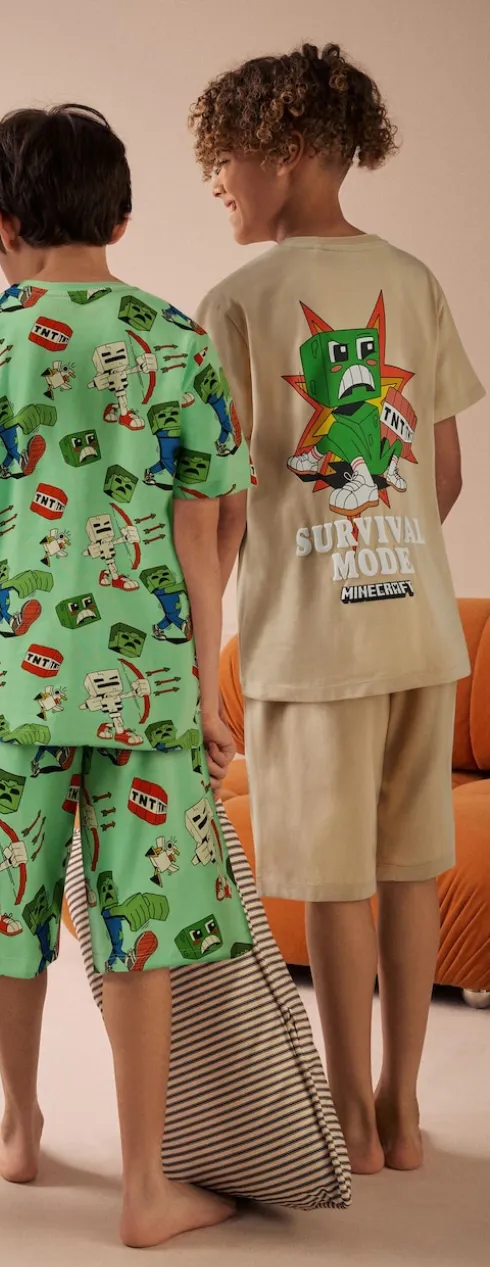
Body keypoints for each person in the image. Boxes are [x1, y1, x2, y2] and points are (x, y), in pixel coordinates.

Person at [0, 104, 254, 1248]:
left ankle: (17, 1127)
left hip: (11, 682)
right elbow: (205, 535)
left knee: (14, 912)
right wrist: (204, 687)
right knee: (137, 922)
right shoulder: (172, 338)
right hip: (149, 683)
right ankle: (145, 1186)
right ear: (122, 215)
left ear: (2, 221)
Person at [192, 45, 484, 1174]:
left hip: (308, 646)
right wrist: (382, 549)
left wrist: (248, 590)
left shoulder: (235, 305)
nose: (217, 181)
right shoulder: (413, 279)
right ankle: (403, 1113)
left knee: (331, 881)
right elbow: (443, 474)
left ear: (291, 149)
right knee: (410, 870)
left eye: (227, 156)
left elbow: (222, 508)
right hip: (415, 630)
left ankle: (351, 1120)